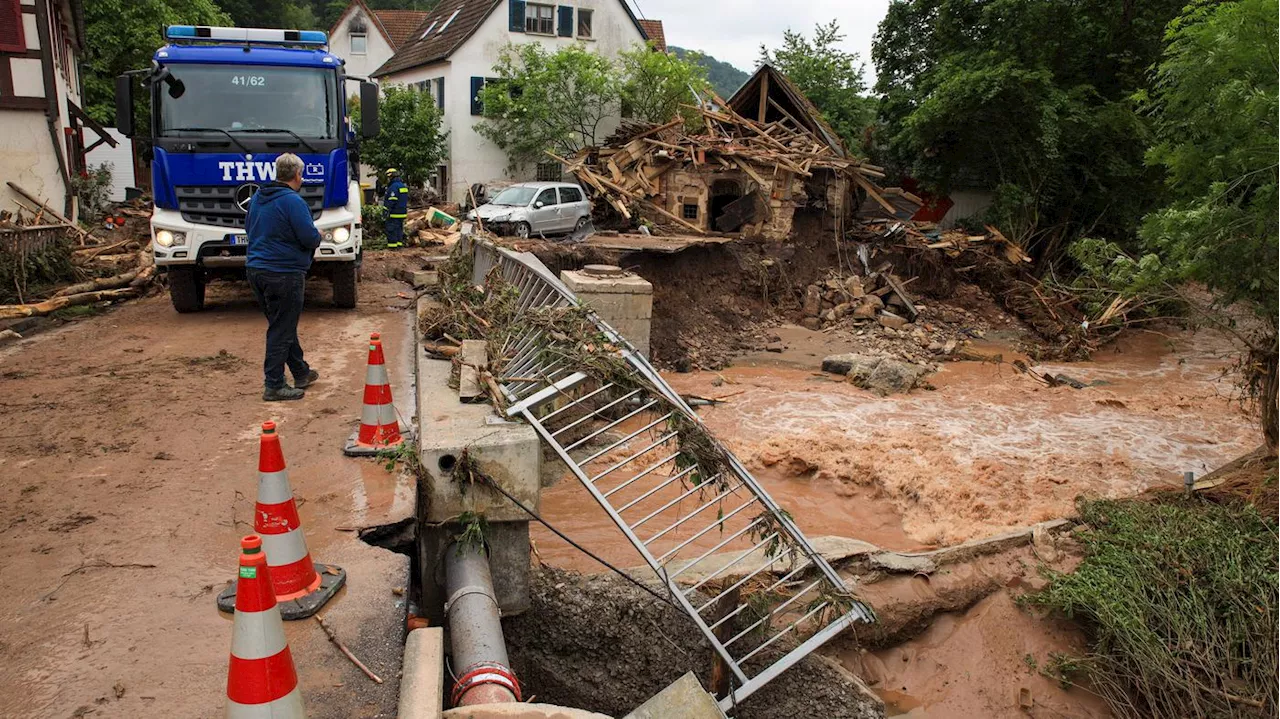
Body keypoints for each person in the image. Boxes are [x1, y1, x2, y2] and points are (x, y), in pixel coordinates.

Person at [245, 153, 322, 401]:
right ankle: (274, 384)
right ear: (298, 174)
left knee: (282, 324)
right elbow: (309, 237)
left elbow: (249, 228)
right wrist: (317, 235)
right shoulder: (293, 202)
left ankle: (301, 372)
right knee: (281, 328)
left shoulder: (258, 198)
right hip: (284, 272)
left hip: (256, 270)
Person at [383, 168, 408, 249]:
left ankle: (392, 246)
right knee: (399, 229)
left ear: (391, 177)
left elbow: (392, 200)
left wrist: (386, 210)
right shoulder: (402, 185)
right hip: (402, 212)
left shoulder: (393, 187)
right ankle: (399, 245)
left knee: (391, 229)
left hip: (394, 213)